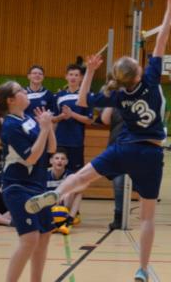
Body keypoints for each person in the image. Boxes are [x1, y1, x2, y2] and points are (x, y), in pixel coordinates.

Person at [25, 0, 171, 282]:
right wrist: (170, 7)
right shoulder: (150, 79)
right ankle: (143, 268)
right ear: (137, 73)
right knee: (147, 216)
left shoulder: (117, 94)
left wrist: (91, 72)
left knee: (82, 176)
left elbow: (82, 101)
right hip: (151, 152)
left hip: (124, 148)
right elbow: (163, 38)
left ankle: (57, 193)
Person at [0, 81, 56, 282]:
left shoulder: (28, 119)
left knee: (44, 236)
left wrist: (48, 127)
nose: (25, 92)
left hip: (39, 185)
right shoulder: (10, 125)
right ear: (11, 100)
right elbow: (31, 158)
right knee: (30, 239)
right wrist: (43, 130)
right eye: (21, 91)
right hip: (18, 186)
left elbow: (51, 149)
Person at [53, 63, 93, 224]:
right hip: (60, 142)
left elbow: (89, 120)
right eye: (71, 74)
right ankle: (58, 210)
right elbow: (53, 119)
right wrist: (61, 117)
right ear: (66, 76)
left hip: (76, 143)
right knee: (59, 177)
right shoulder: (58, 96)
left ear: (81, 78)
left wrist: (72, 115)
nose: (73, 77)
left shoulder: (85, 96)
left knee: (77, 178)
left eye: (76, 75)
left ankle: (74, 213)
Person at [98, 104, 126, 230]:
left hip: (136, 147)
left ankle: (144, 217)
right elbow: (105, 120)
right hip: (117, 146)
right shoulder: (116, 103)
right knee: (118, 183)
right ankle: (119, 217)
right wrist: (112, 100)